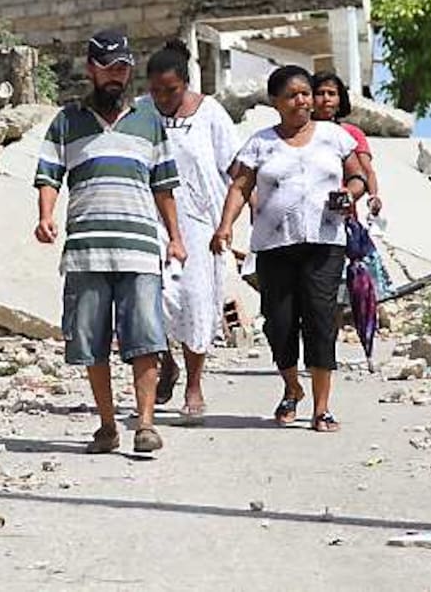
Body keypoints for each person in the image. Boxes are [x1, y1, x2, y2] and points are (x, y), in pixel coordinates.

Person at [34, 29, 188, 455]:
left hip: (139, 248)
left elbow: (164, 185)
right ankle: (106, 425)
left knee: (146, 337)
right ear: (91, 70)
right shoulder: (67, 121)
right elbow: (49, 174)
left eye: (122, 68)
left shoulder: (149, 121)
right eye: (107, 68)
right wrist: (45, 216)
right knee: (91, 340)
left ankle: (144, 424)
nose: (115, 76)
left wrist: (175, 237)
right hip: (86, 251)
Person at [210, 65, 368, 432]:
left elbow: (357, 176)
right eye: (292, 95)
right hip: (274, 246)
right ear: (275, 103)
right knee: (279, 324)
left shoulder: (333, 136)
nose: (302, 100)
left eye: (306, 93)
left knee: (320, 321)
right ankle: (293, 387)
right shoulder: (260, 142)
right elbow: (240, 187)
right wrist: (225, 226)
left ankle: (322, 408)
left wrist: (351, 193)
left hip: (325, 243)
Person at [140, 39, 240, 424]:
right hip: (151, 220)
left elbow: (236, 170)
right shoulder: (141, 113)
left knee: (195, 301)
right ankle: (164, 363)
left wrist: (231, 223)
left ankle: (194, 384)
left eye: (172, 91)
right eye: (156, 91)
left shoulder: (210, 113)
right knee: (152, 299)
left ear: (185, 84)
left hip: (199, 225)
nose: (163, 98)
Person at [311, 70, 382, 218]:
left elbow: (366, 170)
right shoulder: (298, 133)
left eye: (331, 93)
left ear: (340, 100)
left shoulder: (351, 134)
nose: (326, 99)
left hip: (342, 215)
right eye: (320, 93)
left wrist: (373, 196)